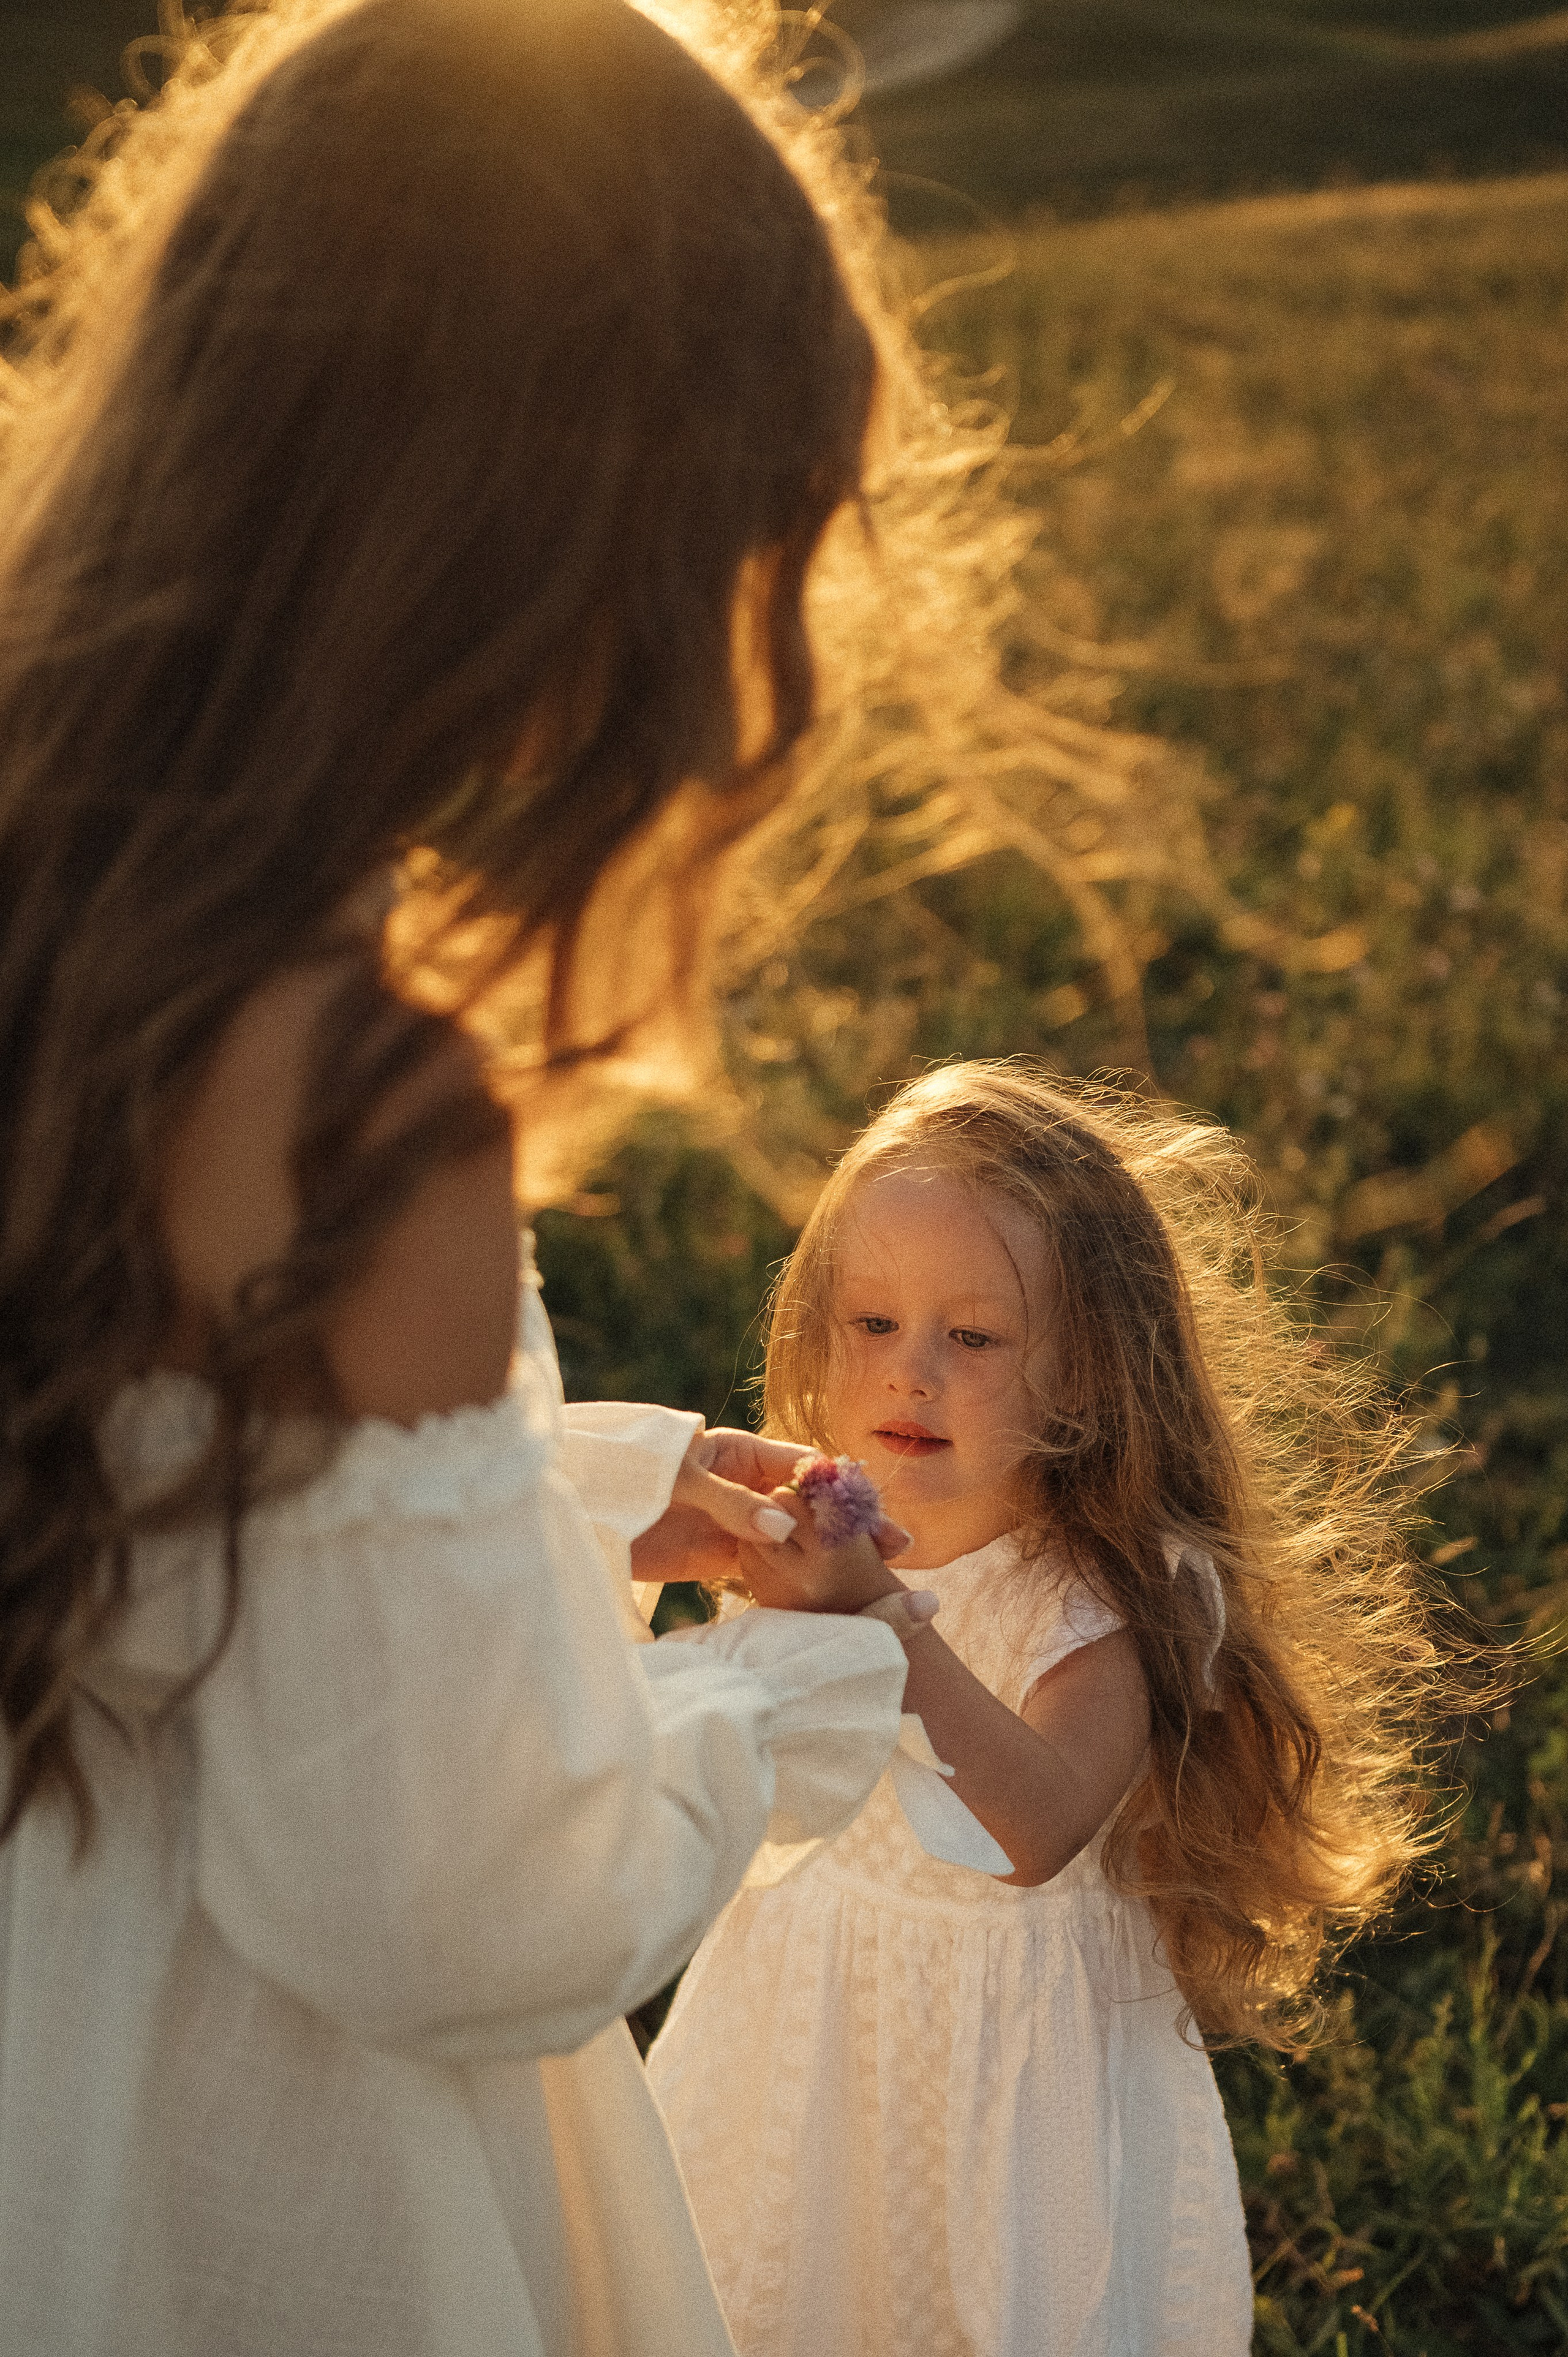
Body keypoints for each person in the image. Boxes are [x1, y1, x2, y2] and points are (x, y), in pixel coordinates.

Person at [0, 3, 954, 2350]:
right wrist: (785, 1683)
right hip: (245, 2164)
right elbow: (448, 1907)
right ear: (569, 543)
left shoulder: (61, 900)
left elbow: (197, 1534)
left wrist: (578, 1496)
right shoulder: (352, 1101)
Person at [648, 1060, 1452, 2357]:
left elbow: (1030, 1827)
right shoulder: (805, 1542)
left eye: (971, 1338)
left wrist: (881, 1622)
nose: (910, 1372)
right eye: (869, 1324)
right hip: (794, 2045)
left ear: (1082, 1377)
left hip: (1000, 2102)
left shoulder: (1093, 1605)